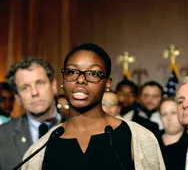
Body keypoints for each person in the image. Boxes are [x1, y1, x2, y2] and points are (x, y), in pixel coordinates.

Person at [21, 43, 165, 170]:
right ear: (63, 80)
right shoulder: (42, 147)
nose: (81, 80)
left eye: (93, 73)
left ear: (107, 83)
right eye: (72, 72)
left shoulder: (138, 138)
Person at [0, 58, 62, 170]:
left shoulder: (78, 129)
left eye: (40, 83)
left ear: (53, 86)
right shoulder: (2, 136)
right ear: (18, 97)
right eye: (25, 88)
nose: (34, 92)